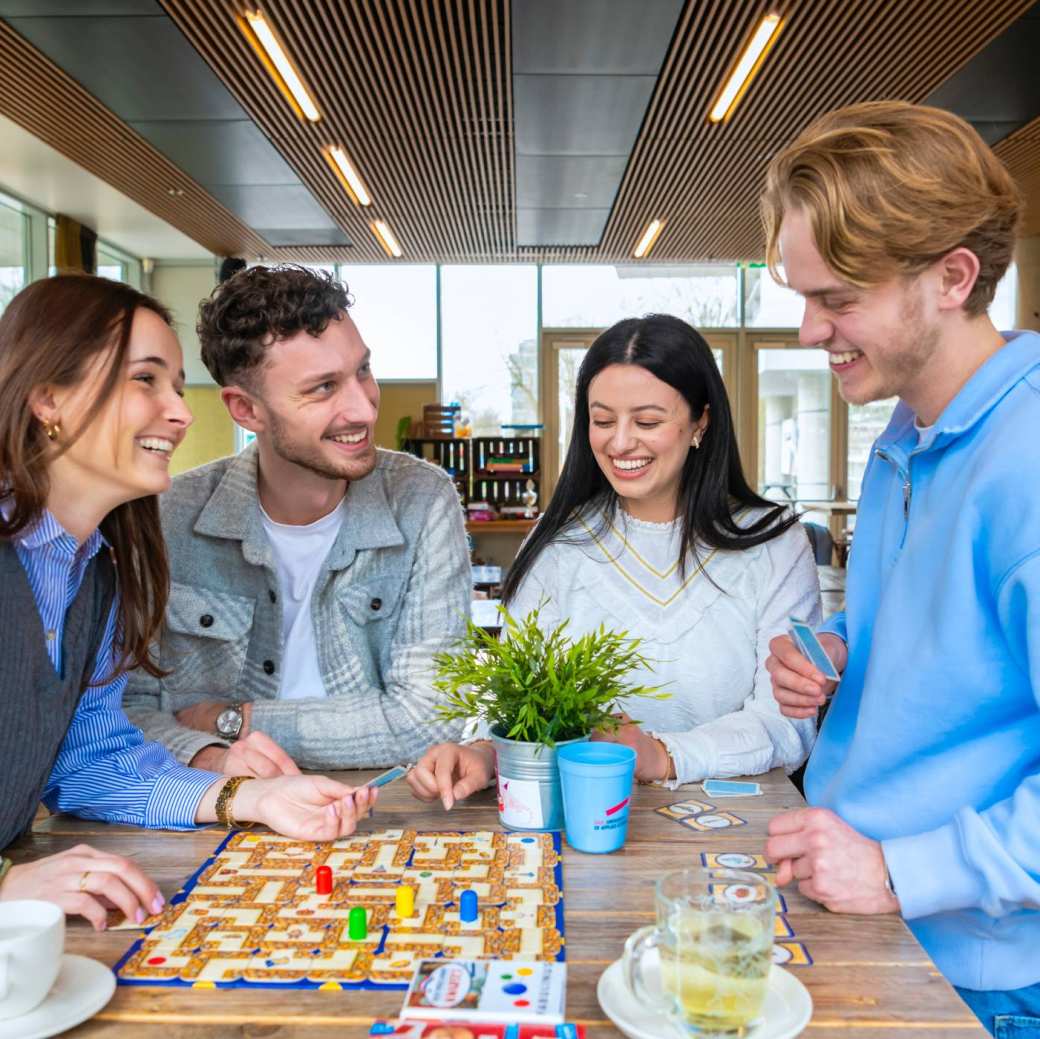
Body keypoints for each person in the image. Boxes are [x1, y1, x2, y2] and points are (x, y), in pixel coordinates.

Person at [758, 101, 1040, 1035]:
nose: (809, 331)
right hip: (879, 923)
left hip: (984, 975)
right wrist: (845, 651)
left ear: (953, 277)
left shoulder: (1030, 459)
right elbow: (964, 652)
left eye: (838, 299)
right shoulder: (904, 435)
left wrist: (899, 870)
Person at [0, 274, 375, 930]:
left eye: (176, 384)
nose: (180, 412)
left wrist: (254, 796)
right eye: (144, 380)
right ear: (48, 398)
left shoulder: (97, 574)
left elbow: (91, 763)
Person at [408, 314, 822, 808]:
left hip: (735, 826)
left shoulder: (772, 543)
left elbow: (788, 726)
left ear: (701, 421)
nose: (620, 442)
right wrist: (484, 752)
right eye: (602, 421)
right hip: (581, 816)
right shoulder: (558, 543)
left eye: (647, 421)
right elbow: (519, 698)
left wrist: (664, 755)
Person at [123, 265, 469, 772]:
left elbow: (431, 721)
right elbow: (125, 714)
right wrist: (216, 763)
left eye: (363, 371)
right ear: (246, 410)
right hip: (207, 807)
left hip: (379, 809)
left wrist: (232, 721)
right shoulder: (165, 519)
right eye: (323, 388)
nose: (364, 409)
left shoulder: (421, 498)